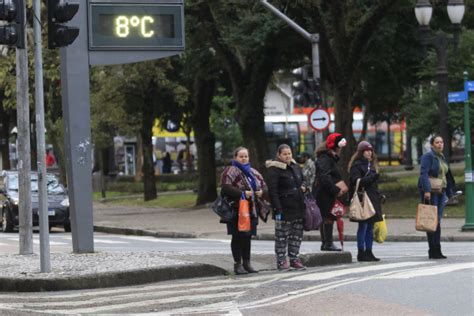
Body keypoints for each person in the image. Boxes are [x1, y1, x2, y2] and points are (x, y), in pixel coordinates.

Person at [220, 146, 268, 274]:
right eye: (241, 156)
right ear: (235, 157)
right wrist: (243, 193)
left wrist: (261, 192)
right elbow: (225, 188)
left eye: (246, 156)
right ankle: (237, 264)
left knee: (247, 237)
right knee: (237, 237)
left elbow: (264, 186)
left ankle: (247, 263)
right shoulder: (230, 171)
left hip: (251, 210)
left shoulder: (253, 172)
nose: (244, 158)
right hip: (236, 210)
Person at [266, 144, 307, 271]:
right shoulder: (274, 169)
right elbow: (272, 191)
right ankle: (281, 261)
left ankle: (294, 259)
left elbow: (303, 180)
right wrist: (277, 208)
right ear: (279, 155)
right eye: (285, 154)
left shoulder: (294, 166)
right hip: (283, 209)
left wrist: (305, 186)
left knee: (297, 235)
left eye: (289, 153)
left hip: (298, 207)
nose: (288, 156)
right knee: (281, 236)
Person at [418, 135, 455, 259]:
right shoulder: (428, 156)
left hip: (441, 191)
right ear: (432, 145)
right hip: (431, 192)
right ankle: (432, 249)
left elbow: (447, 176)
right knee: (431, 221)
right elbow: (423, 174)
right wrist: (427, 191)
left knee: (437, 221)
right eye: (437, 142)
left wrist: (450, 193)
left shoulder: (442, 157)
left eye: (442, 142)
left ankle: (437, 249)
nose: (440, 144)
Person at [348, 141, 383, 262]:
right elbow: (356, 182)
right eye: (367, 150)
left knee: (370, 227)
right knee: (363, 226)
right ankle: (361, 252)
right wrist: (372, 177)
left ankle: (369, 251)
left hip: (372, 198)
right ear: (361, 152)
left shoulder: (370, 165)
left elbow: (374, 185)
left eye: (371, 150)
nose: (369, 153)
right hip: (363, 199)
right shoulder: (356, 166)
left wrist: (380, 195)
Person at [313, 133, 348, 251]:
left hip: (325, 192)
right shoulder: (325, 158)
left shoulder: (327, 157)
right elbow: (325, 177)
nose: (341, 150)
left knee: (327, 217)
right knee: (328, 217)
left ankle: (326, 243)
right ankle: (327, 243)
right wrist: (336, 190)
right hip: (324, 193)